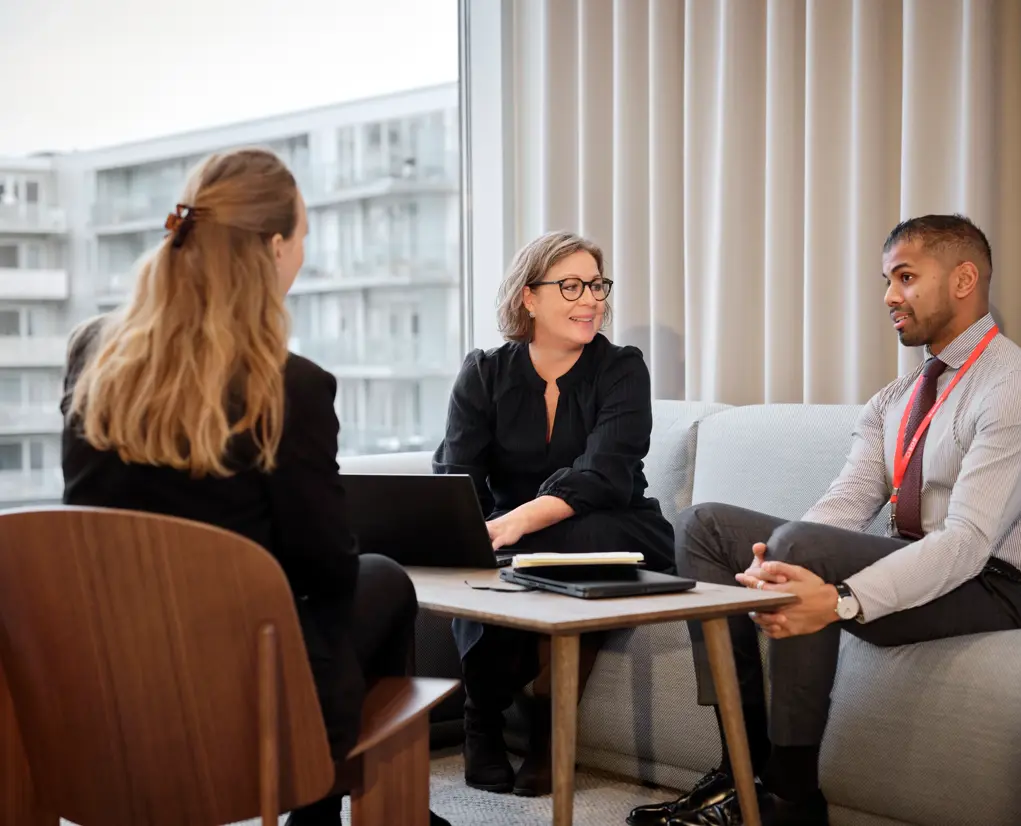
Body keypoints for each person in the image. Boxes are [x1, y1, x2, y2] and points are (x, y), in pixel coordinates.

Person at [628, 214, 1021, 826]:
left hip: (1000, 587)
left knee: (802, 547)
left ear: (965, 278)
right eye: (887, 280)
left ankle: (790, 800)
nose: (889, 296)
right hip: (922, 563)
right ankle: (743, 766)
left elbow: (969, 543)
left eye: (906, 277)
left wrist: (838, 600)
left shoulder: (1015, 387)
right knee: (703, 525)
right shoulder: (897, 398)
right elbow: (844, 504)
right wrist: (773, 565)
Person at [60, 148, 450, 826]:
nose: (302, 256)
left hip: (107, 687)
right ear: (273, 248)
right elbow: (326, 567)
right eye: (303, 239)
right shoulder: (287, 384)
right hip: (238, 696)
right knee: (383, 579)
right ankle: (328, 804)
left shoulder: (96, 354)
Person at [433, 230, 676, 796]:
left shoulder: (622, 368)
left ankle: (546, 733)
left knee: (568, 537)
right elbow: (457, 473)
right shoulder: (484, 372)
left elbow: (606, 471)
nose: (591, 299)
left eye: (596, 285)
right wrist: (476, 530)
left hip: (617, 525)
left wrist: (516, 521)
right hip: (514, 535)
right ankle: (482, 720)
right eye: (571, 286)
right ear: (529, 297)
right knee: (489, 555)